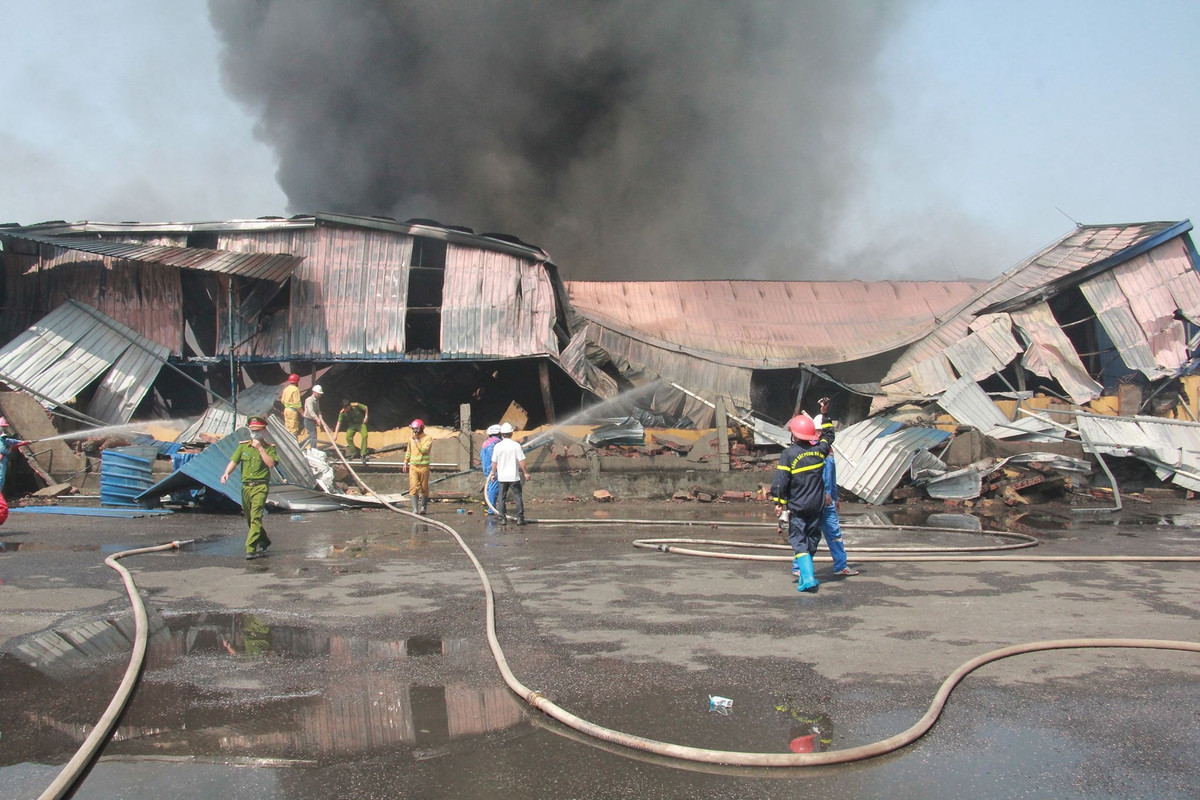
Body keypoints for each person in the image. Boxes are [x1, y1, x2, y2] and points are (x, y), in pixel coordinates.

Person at [770, 412, 834, 591]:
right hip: (817, 505)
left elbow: (781, 481)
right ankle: (807, 573)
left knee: (799, 540)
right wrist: (825, 416)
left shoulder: (788, 454)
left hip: (798, 507)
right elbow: (828, 437)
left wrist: (778, 502)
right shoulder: (819, 451)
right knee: (812, 537)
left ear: (793, 434)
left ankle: (807, 578)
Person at [220, 416, 278, 560]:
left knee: (256, 517)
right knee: (249, 517)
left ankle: (250, 548)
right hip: (246, 487)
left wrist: (260, 449)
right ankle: (264, 540)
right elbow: (234, 461)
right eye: (252, 430)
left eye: (258, 430)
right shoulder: (243, 446)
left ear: (264, 431)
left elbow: (271, 464)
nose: (255, 433)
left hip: (260, 486)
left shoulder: (269, 448)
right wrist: (226, 473)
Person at [814, 397, 858, 577]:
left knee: (834, 533)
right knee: (809, 535)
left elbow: (830, 477)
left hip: (828, 500)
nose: (820, 433)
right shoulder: (811, 451)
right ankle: (799, 567)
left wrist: (835, 496)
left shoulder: (827, 450)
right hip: (815, 499)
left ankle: (840, 565)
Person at [488, 422, 530, 525]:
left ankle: (502, 518)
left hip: (502, 478)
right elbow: (522, 461)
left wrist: (493, 474)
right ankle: (520, 519)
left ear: (502, 434)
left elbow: (494, 462)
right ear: (511, 433)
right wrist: (526, 473)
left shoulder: (498, 446)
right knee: (518, 497)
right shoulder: (516, 445)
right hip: (513, 477)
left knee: (501, 498)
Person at [0, 418, 29, 526]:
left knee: (1, 479)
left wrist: (23, 443)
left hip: (2, 463)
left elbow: (13, 442)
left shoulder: (3, 438)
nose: (3, 428)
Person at [401, 418, 433, 514]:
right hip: (413, 466)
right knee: (413, 487)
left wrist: (417, 441)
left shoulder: (428, 438)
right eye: (413, 429)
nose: (415, 431)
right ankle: (415, 509)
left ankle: (423, 508)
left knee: (424, 487)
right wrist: (405, 462)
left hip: (424, 467)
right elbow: (409, 451)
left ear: (421, 428)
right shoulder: (411, 438)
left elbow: (424, 450)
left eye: (417, 429)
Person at [333, 398, 369, 463]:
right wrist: (336, 434)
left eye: (347, 407)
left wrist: (366, 417)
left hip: (361, 423)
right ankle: (354, 453)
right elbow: (339, 423)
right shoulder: (342, 412)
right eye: (345, 408)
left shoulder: (355, 405)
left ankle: (363, 454)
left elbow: (365, 407)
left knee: (364, 436)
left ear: (349, 405)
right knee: (348, 437)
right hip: (352, 425)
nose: (346, 409)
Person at [480, 424, 502, 515]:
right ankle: (491, 509)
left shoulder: (485, 443)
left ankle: (490, 506)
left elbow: (482, 456)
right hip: (494, 468)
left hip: (486, 468)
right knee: (493, 488)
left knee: (489, 487)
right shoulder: (497, 442)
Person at [301, 384, 324, 450]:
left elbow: (318, 409)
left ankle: (300, 445)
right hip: (308, 420)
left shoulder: (317, 400)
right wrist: (317, 419)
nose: (320, 395)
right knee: (313, 436)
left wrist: (320, 415)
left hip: (312, 420)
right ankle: (313, 450)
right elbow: (311, 411)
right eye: (319, 393)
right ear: (315, 392)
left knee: (312, 436)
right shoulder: (309, 400)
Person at [281, 373, 302, 441]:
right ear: (296, 382)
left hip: (286, 409)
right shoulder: (295, 389)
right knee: (293, 428)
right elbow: (297, 403)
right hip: (292, 411)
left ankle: (288, 442)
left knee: (288, 427)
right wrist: (302, 412)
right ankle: (294, 444)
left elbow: (282, 400)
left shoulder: (286, 389)